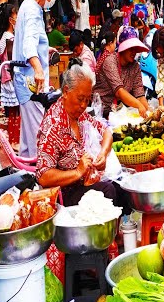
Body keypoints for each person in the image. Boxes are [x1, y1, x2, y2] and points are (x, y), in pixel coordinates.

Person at [36, 65, 120, 207]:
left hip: (87, 182)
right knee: (108, 191)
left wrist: (103, 154)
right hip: (65, 193)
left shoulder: (80, 116)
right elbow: (43, 176)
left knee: (120, 186)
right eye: (80, 98)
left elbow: (106, 131)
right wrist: (77, 172)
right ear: (66, 91)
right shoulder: (53, 125)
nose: (83, 105)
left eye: (87, 100)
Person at [12, 0, 61, 160]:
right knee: (40, 142)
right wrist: (38, 69)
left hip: (25, 82)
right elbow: (28, 45)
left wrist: (44, 50)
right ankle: (38, 176)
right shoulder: (32, 10)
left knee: (28, 141)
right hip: (31, 84)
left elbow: (30, 40)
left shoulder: (29, 6)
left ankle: (24, 172)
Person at [95, 26, 150, 117]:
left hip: (119, 111)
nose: (134, 52)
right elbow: (119, 92)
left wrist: (148, 112)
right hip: (102, 112)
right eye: (130, 49)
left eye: (135, 49)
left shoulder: (135, 66)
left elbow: (139, 95)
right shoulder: (110, 61)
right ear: (123, 48)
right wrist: (139, 105)